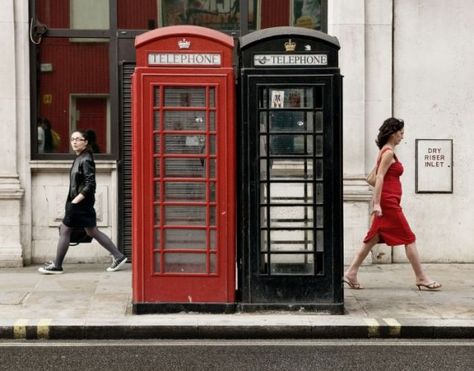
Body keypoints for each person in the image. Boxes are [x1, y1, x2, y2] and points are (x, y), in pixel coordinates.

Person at [343, 118, 441, 291]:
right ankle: (421, 277)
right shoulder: (388, 152)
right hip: (388, 204)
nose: (402, 137)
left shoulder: (386, 151)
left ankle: (350, 273)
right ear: (393, 132)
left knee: (371, 240)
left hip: (390, 201)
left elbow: (377, 177)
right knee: (409, 238)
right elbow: (379, 178)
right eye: (401, 133)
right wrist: (377, 204)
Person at [39, 130, 127, 274]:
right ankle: (118, 256)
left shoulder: (85, 159)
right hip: (81, 202)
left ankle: (57, 265)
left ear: (85, 142)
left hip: (80, 203)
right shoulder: (81, 157)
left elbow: (90, 184)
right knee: (91, 230)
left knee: (65, 229)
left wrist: (75, 201)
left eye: (78, 139)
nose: (74, 142)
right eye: (72, 139)